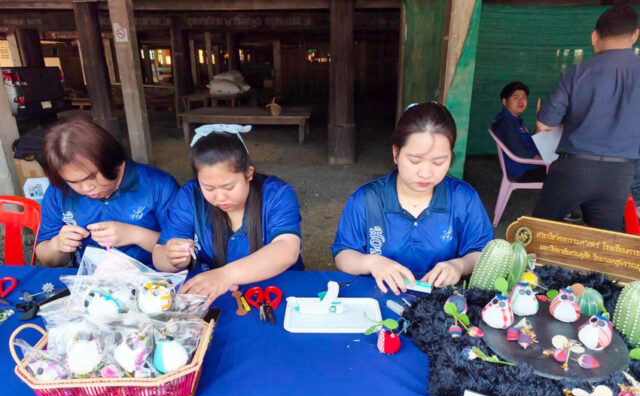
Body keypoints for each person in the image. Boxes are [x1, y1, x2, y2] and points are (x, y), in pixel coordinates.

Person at [331, 102, 494, 294]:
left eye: (438, 162)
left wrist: (460, 265)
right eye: (415, 161)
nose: (426, 173)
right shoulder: (367, 199)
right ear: (396, 153)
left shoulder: (463, 198)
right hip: (377, 297)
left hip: (443, 301)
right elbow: (343, 254)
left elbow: (484, 253)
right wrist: (372, 262)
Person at [153, 124, 303, 306]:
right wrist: (172, 258)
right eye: (208, 188)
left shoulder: (277, 194)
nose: (220, 197)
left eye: (229, 187)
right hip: (212, 294)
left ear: (248, 173)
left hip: (274, 292)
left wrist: (226, 275)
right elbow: (159, 256)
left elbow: (287, 249)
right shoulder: (191, 196)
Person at [534, 5, 640, 231]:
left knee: (538, 232)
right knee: (605, 244)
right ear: (635, 35)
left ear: (594, 37)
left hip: (573, 169)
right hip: (620, 174)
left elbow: (544, 125)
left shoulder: (576, 73)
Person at [36, 117, 179, 267]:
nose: (85, 188)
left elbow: (183, 252)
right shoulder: (59, 191)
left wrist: (135, 235)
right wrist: (57, 245)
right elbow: (47, 259)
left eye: (91, 177)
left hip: (151, 278)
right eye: (73, 182)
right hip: (88, 279)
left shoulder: (158, 185)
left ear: (111, 160)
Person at [491, 81, 546, 182]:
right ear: (504, 102)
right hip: (524, 170)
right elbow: (521, 151)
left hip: (529, 166)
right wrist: (546, 162)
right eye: (516, 97)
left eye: (523, 98)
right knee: (566, 172)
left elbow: (530, 143)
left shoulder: (515, 121)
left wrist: (540, 122)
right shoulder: (506, 123)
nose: (521, 101)